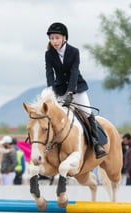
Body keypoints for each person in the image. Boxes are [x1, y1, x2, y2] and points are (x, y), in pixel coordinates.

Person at [45, 22, 107, 159]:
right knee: (52, 116)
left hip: (77, 88)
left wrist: (70, 93)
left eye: (57, 38)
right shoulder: (49, 54)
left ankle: (96, 143)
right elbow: (49, 74)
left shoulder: (74, 51)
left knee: (87, 113)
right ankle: (50, 146)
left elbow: (74, 72)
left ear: (64, 38)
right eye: (52, 38)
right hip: (59, 90)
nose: (54, 41)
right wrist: (51, 93)